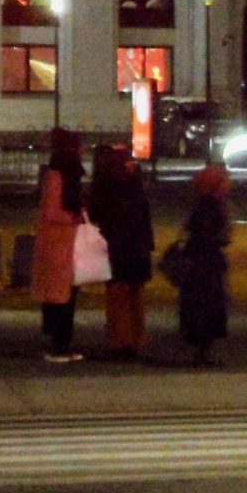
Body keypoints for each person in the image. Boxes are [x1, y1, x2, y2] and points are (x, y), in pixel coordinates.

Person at [88, 145, 155, 360]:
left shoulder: (105, 184)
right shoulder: (134, 183)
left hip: (118, 244)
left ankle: (119, 340)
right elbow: (144, 214)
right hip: (137, 244)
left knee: (118, 295)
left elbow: (95, 212)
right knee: (135, 294)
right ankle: (136, 338)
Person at [35, 128, 85, 363]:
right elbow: (51, 211)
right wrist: (74, 218)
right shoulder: (56, 176)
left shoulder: (69, 175)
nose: (82, 151)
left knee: (66, 295)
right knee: (60, 296)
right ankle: (58, 346)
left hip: (67, 242)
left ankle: (62, 343)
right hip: (58, 243)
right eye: (78, 147)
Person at [177, 161, 233, 366]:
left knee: (198, 305)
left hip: (199, 260)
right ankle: (202, 349)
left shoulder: (202, 203)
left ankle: (199, 347)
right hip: (206, 262)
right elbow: (215, 235)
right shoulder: (211, 205)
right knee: (207, 305)